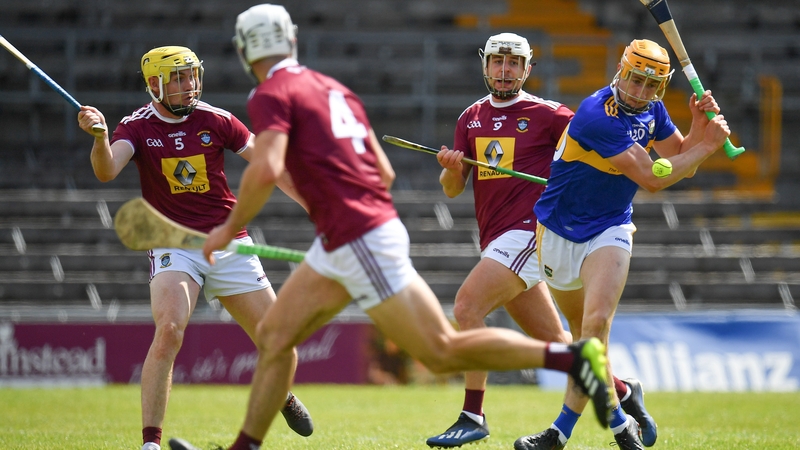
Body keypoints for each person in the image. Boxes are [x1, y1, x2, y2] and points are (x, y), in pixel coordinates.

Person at [167, 5, 613, 450]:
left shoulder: (269, 94)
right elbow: (384, 172)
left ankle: (572, 357)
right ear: (292, 41)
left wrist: (229, 230)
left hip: (358, 237)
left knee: (441, 350)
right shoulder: (333, 89)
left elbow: (264, 170)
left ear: (245, 50)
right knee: (274, 337)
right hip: (348, 236)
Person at [425, 33, 657, 449]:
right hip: (495, 236)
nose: (504, 70)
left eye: (514, 63)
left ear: (527, 69)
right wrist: (450, 167)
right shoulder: (470, 118)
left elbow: (598, 146)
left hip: (533, 230)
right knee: (563, 348)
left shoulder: (550, 114)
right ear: (486, 65)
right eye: (498, 62)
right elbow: (452, 189)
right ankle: (622, 390)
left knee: (467, 306)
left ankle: (472, 414)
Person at [76, 45, 314, 450]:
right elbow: (107, 169)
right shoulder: (135, 127)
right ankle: (151, 443)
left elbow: (270, 166)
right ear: (155, 85)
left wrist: (317, 208)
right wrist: (99, 139)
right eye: (180, 79)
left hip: (229, 241)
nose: (190, 86)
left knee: (279, 344)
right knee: (169, 329)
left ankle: (281, 395)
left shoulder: (216, 119)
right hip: (174, 243)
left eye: (193, 76)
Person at [514, 39, 731, 450]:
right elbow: (652, 178)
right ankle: (622, 401)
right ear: (620, 71)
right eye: (635, 79)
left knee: (596, 326)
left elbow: (679, 163)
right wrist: (707, 146)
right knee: (583, 339)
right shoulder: (597, 114)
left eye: (651, 85)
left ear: (661, 88)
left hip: (611, 228)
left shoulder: (654, 111)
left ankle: (577, 432)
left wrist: (699, 125)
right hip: (558, 232)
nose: (640, 92)